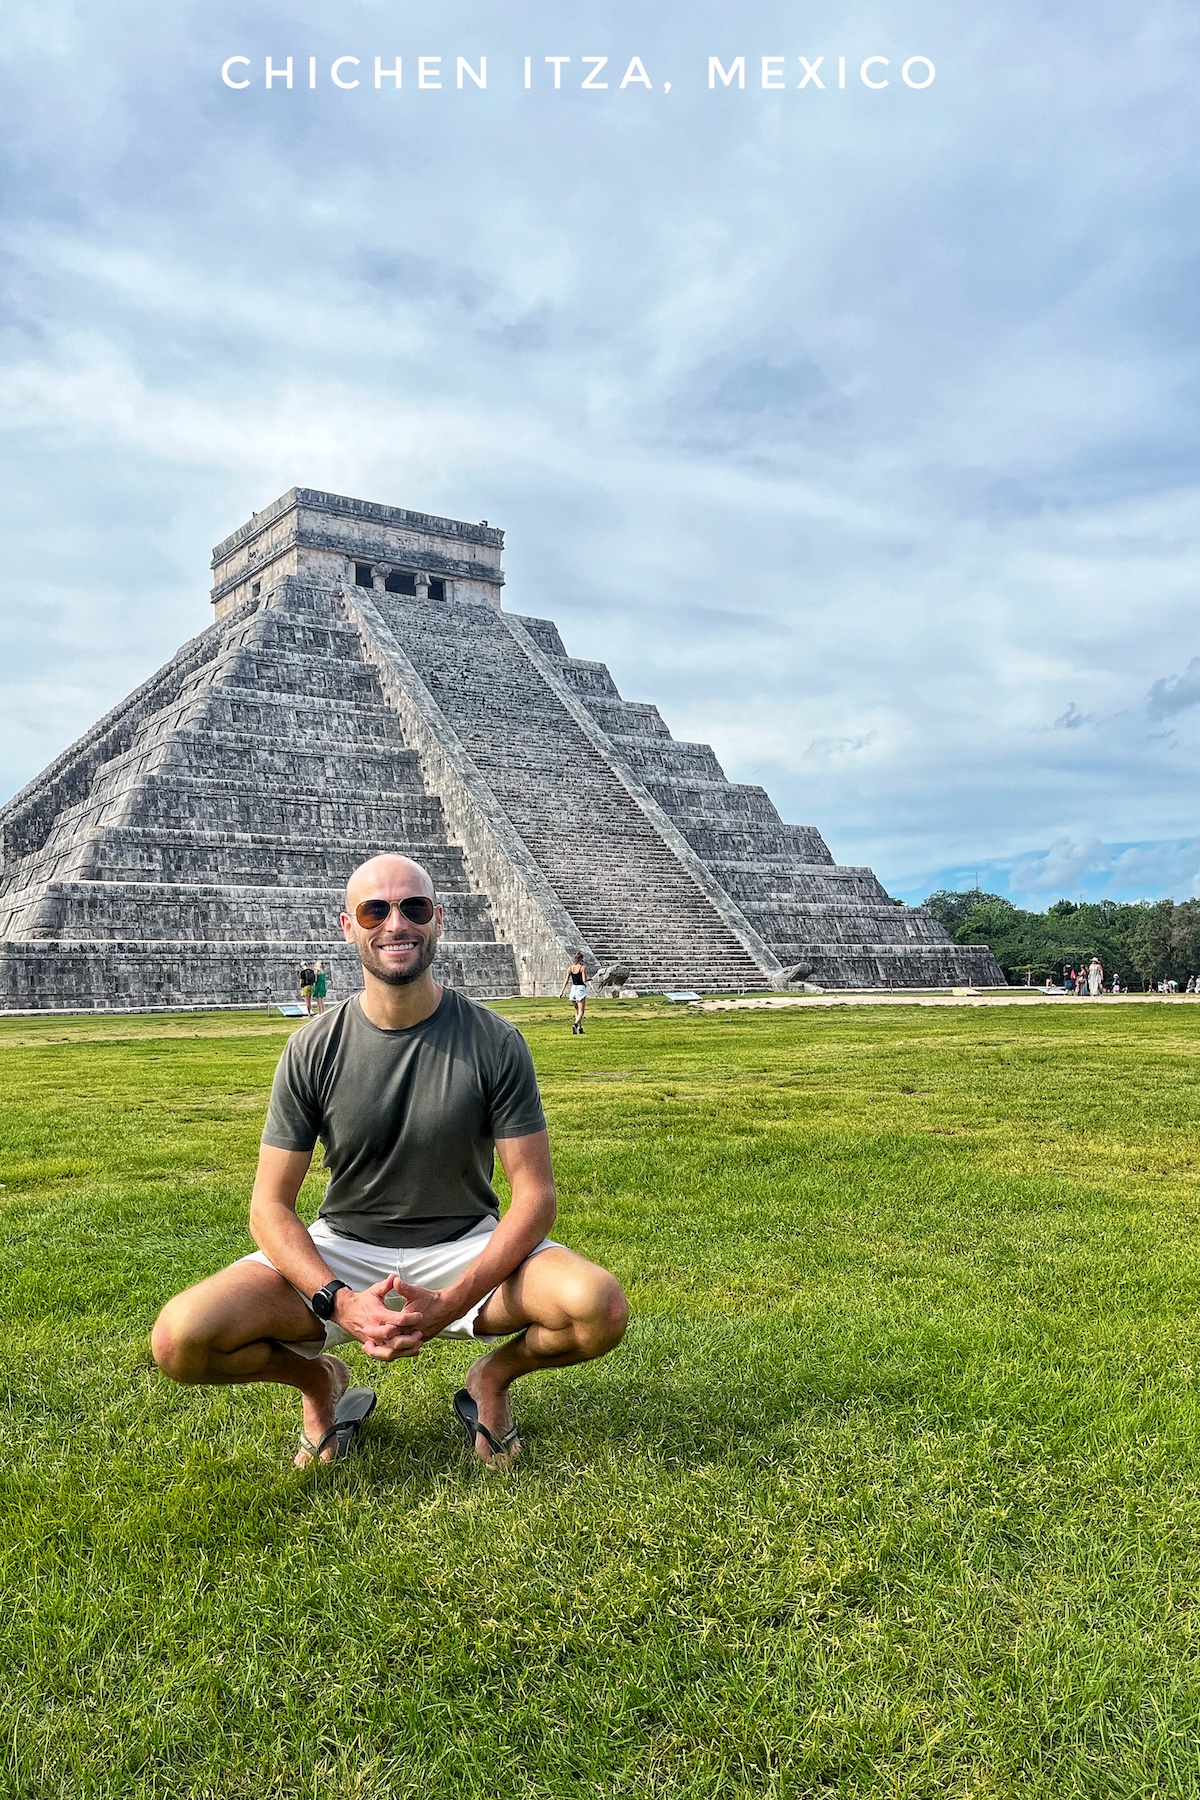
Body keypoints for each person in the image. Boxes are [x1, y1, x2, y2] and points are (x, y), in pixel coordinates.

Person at [151, 854, 628, 1469]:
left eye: (414, 908)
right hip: (343, 1248)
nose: (395, 923)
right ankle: (319, 1383)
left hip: (465, 1245)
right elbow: (270, 1206)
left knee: (598, 1309)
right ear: (348, 926)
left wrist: (455, 1300)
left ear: (438, 920)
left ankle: (492, 1379)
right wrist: (337, 1299)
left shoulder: (495, 1040)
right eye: (375, 909)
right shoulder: (312, 1049)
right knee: (181, 1341)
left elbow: (534, 1198)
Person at [560, 952, 590, 1035]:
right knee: (581, 1011)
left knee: (576, 1010)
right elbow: (584, 980)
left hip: (573, 989)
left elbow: (566, 980)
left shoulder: (570, 968)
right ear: (581, 959)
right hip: (580, 989)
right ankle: (576, 1024)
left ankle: (580, 1028)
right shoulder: (582, 968)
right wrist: (588, 979)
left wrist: (561, 992)